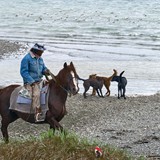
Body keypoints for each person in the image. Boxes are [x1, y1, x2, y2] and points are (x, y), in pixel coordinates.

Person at [20, 43, 49, 122]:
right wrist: (31, 81)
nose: (42, 54)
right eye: (41, 52)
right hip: (30, 82)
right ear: (36, 51)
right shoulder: (26, 59)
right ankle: (36, 113)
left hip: (39, 80)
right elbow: (24, 72)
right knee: (36, 94)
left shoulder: (40, 59)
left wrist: (46, 71)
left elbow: (43, 68)